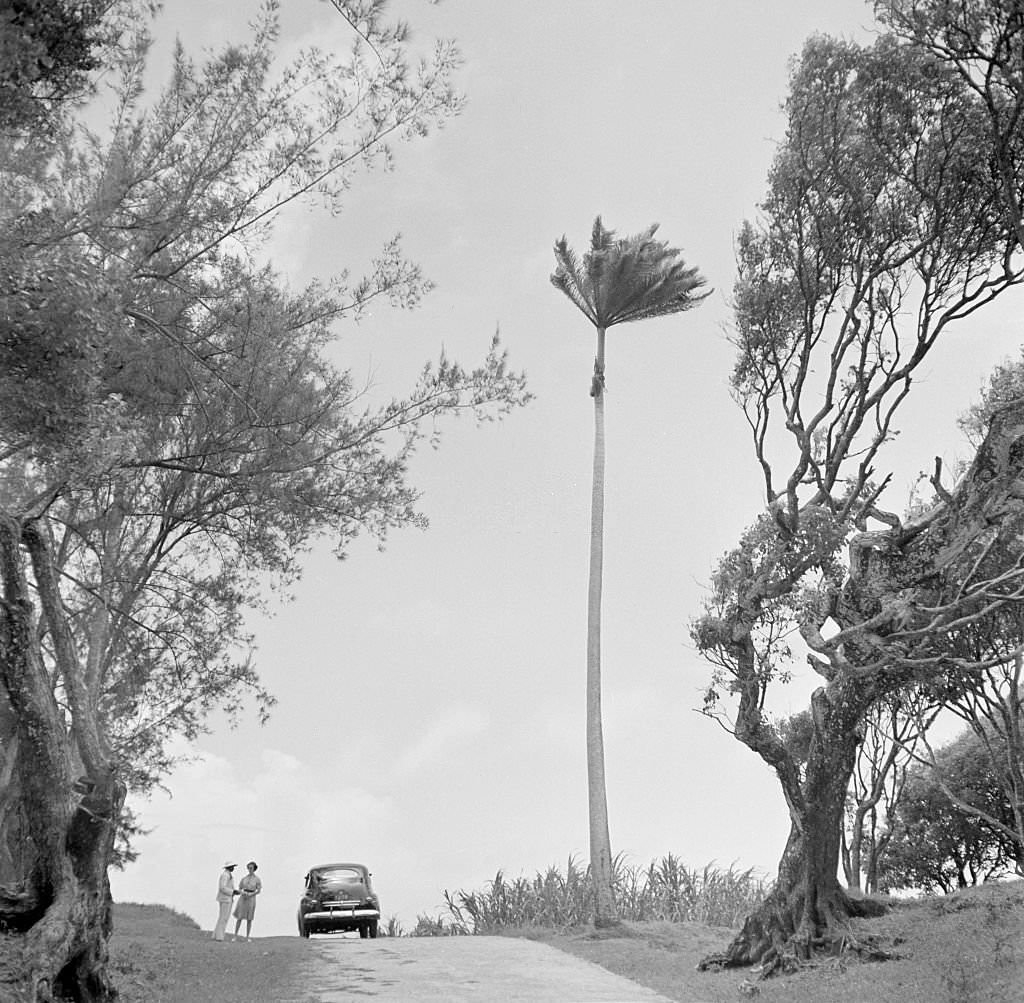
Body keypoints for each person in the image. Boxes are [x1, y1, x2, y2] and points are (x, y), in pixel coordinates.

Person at [232, 861, 262, 942]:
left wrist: (251, 894)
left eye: (251, 868)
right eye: (248, 868)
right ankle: (235, 935)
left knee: (249, 918)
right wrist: (243, 892)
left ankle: (247, 936)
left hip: (251, 898)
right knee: (239, 917)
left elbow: (258, 890)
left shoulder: (257, 879)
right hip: (243, 897)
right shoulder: (244, 878)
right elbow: (240, 888)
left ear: (254, 869)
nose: (250, 869)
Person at [212, 861, 239, 941]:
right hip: (225, 899)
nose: (233, 868)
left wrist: (234, 891)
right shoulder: (225, 875)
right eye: (232, 866)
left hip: (227, 898)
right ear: (229, 867)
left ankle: (216, 935)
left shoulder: (228, 875)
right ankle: (219, 937)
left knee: (222, 917)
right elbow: (222, 888)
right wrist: (232, 892)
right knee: (223, 918)